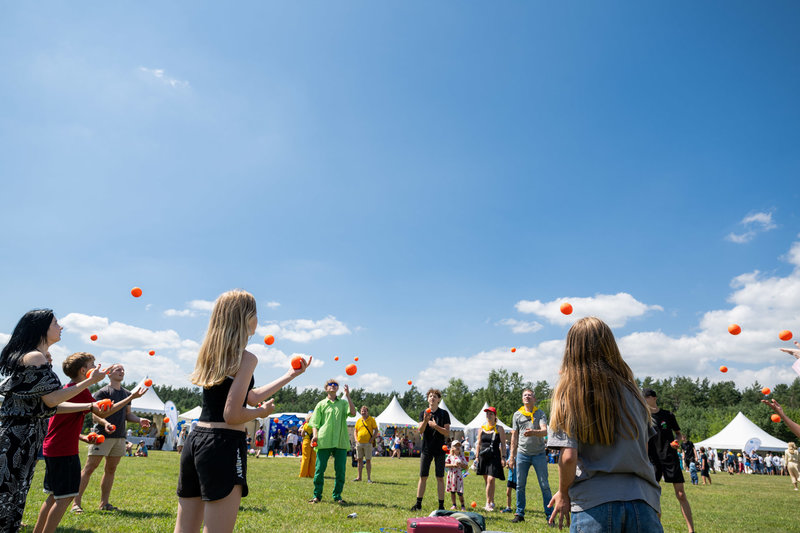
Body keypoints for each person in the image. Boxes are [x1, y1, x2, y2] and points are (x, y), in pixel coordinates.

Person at [174, 289, 308, 533]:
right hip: (222, 445)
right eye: (256, 313)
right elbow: (233, 414)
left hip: (196, 442)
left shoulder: (211, 354)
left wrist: (289, 376)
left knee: (185, 529)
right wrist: (259, 414)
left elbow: (248, 396)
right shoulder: (246, 358)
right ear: (246, 318)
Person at [0, 309, 113, 532]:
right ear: (41, 328)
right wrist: (89, 382)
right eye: (55, 323)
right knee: (6, 502)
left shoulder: (35, 357)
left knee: (12, 501)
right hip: (16, 441)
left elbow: (50, 405)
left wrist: (90, 405)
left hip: (23, 441)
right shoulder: (34, 357)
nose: (60, 327)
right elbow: (52, 400)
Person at [547, 317, 662, 532]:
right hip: (643, 502)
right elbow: (644, 453)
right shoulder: (634, 393)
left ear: (572, 349)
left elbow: (569, 456)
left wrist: (563, 492)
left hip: (593, 506)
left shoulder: (568, 393)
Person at [33, 352, 143, 533]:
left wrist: (83, 437)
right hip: (63, 450)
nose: (97, 367)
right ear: (84, 371)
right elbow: (103, 412)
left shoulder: (69, 388)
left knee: (53, 497)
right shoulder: (80, 391)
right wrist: (130, 398)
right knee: (64, 499)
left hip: (54, 447)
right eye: (93, 364)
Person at [73, 364, 152, 513]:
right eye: (118, 369)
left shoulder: (128, 393)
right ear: (109, 374)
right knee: (90, 468)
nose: (121, 371)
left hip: (119, 436)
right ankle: (76, 503)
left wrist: (139, 419)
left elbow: (128, 415)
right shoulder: (102, 392)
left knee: (111, 469)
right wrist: (106, 423)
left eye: (123, 370)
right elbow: (95, 414)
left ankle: (104, 503)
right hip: (102, 436)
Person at [642, 388, 695, 532]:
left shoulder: (668, 415)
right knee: (654, 494)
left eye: (646, 397)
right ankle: (657, 528)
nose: (644, 400)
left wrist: (676, 442)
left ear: (654, 398)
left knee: (680, 494)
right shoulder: (643, 417)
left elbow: (678, 434)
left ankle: (691, 530)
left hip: (669, 457)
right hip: (652, 459)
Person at [307, 379, 356, 504]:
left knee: (340, 471)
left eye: (335, 385)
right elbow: (315, 422)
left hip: (340, 441)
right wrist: (315, 435)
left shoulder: (343, 403)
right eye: (330, 385)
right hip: (324, 440)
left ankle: (337, 496)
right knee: (319, 469)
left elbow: (353, 413)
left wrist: (348, 396)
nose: (333, 386)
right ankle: (317, 495)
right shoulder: (321, 404)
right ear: (326, 388)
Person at [509, 388, 552, 524]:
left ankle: (549, 515)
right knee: (520, 485)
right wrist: (511, 457)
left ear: (534, 399)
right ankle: (519, 513)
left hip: (539, 454)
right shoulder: (517, 415)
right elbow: (514, 437)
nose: (527, 397)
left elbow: (544, 431)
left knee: (544, 485)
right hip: (522, 454)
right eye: (525, 395)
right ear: (522, 399)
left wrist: (533, 432)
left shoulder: (540, 413)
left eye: (530, 395)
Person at [410, 389, 451, 512]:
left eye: (435, 396)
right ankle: (418, 504)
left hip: (439, 450)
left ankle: (441, 506)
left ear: (438, 399)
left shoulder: (444, 414)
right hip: (426, 449)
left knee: (440, 477)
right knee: (423, 476)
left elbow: (447, 433)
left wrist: (435, 426)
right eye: (430, 396)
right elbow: (420, 431)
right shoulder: (423, 412)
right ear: (428, 399)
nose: (432, 398)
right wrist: (426, 421)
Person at [475, 406, 506, 512]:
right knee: (487, 480)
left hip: (494, 456)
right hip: (483, 456)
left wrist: (503, 457)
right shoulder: (482, 428)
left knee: (491, 479)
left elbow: (503, 444)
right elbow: (478, 443)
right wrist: (476, 456)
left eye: (491, 414)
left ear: (495, 416)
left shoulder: (499, 428)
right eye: (487, 414)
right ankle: (491, 500)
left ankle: (487, 503)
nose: (488, 415)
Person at [354, 405, 378, 483]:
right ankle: (359, 477)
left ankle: (368, 478)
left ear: (367, 412)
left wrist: (372, 439)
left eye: (364, 411)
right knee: (359, 460)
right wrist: (356, 440)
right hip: (359, 443)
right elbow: (355, 431)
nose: (363, 412)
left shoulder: (372, 420)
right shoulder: (358, 420)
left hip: (368, 443)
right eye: (362, 411)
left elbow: (376, 430)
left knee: (368, 460)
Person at [445, 440, 467, 510]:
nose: (457, 447)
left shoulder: (462, 456)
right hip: (451, 476)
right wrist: (453, 465)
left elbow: (466, 466)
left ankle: (462, 505)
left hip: (458, 476)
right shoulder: (450, 456)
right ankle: (454, 504)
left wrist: (461, 464)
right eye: (455, 446)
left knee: (460, 492)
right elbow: (445, 464)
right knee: (452, 491)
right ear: (452, 448)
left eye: (459, 446)